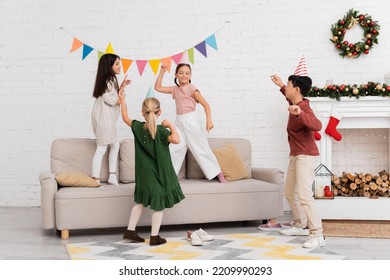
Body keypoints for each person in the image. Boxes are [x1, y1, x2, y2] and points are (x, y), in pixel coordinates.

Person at [119, 92, 185, 246]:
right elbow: (176, 139)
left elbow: (125, 117)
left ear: (143, 113)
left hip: (143, 175)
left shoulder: (137, 127)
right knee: (158, 204)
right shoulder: (162, 131)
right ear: (159, 112)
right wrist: (172, 126)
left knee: (140, 202)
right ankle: (154, 236)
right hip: (158, 175)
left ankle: (130, 230)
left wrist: (122, 101)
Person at [270, 73, 326, 249]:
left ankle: (317, 234)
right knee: (289, 192)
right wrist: (280, 85)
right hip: (296, 155)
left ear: (296, 89)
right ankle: (301, 225)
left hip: (306, 156)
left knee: (304, 195)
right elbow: (291, 100)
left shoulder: (303, 107)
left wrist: (300, 113)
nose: (285, 88)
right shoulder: (294, 103)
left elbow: (317, 125)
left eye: (288, 85)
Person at [154, 63, 227, 183]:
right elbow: (157, 87)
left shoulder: (192, 89)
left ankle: (218, 173)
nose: (184, 75)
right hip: (178, 122)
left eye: (187, 73)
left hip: (191, 121)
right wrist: (161, 72)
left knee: (201, 148)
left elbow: (205, 105)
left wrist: (209, 120)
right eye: (181, 73)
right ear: (176, 74)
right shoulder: (175, 89)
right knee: (174, 148)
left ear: (190, 75)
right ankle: (168, 176)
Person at [91, 53, 130, 185]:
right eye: (117, 64)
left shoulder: (110, 79)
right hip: (104, 119)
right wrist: (121, 100)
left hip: (105, 119)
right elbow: (110, 98)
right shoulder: (109, 80)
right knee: (102, 147)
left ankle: (112, 175)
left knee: (114, 144)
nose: (120, 66)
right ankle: (95, 179)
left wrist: (122, 86)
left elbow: (112, 94)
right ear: (109, 66)